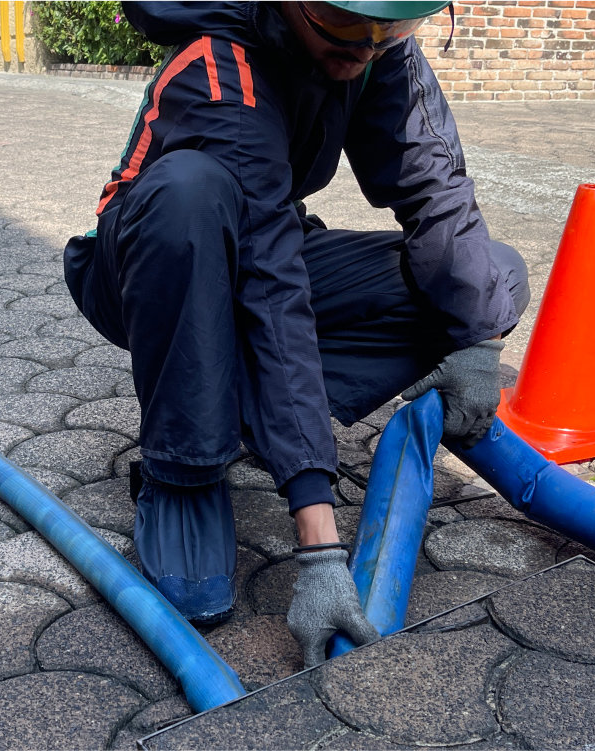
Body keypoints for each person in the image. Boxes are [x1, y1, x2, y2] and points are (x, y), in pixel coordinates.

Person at [63, 1, 530, 666]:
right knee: (189, 191)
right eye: (343, 24)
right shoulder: (219, 66)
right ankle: (183, 470)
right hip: (147, 262)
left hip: (265, 233)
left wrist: (477, 341)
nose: (363, 48)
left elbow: (435, 189)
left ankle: (255, 412)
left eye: (387, 29)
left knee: (490, 280)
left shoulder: (376, 49)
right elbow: (271, 287)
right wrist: (317, 542)